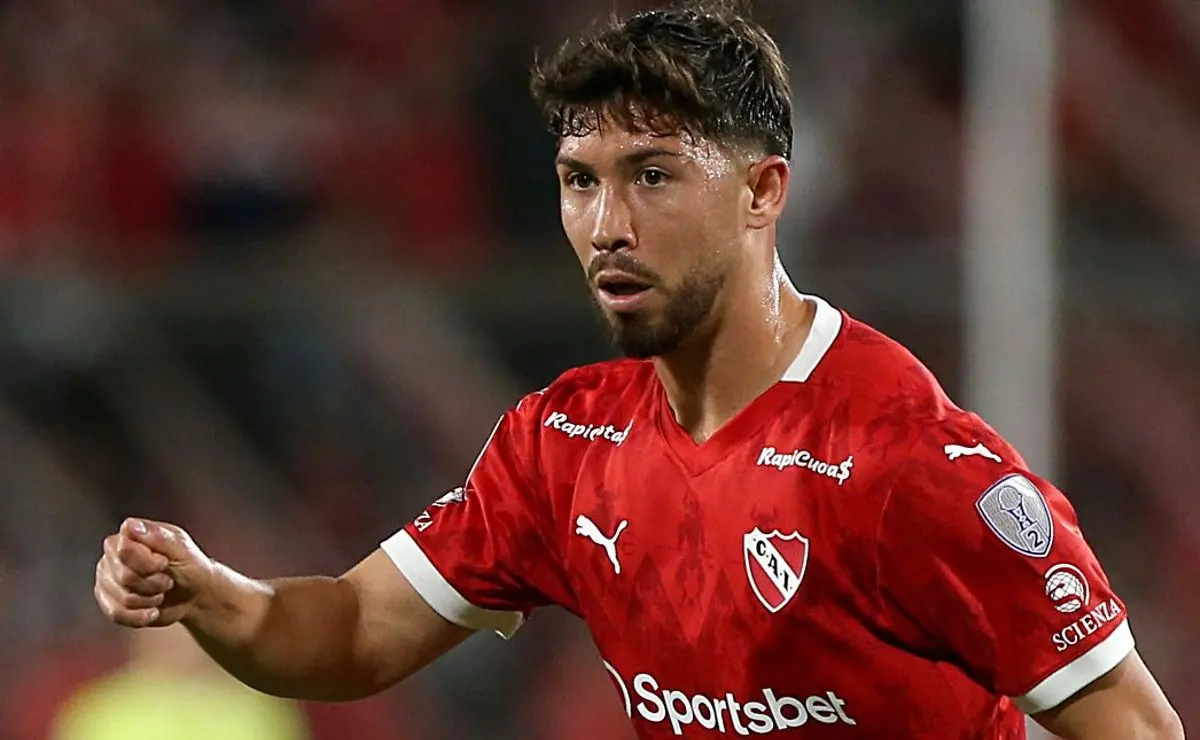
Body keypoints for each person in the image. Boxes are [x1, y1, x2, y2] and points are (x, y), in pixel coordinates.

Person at [93, 3, 1185, 737]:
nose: (607, 224)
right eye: (581, 180)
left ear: (763, 192)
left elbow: (1134, 725)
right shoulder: (563, 444)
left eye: (654, 175)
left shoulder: (909, 464)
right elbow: (350, 630)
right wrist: (210, 593)